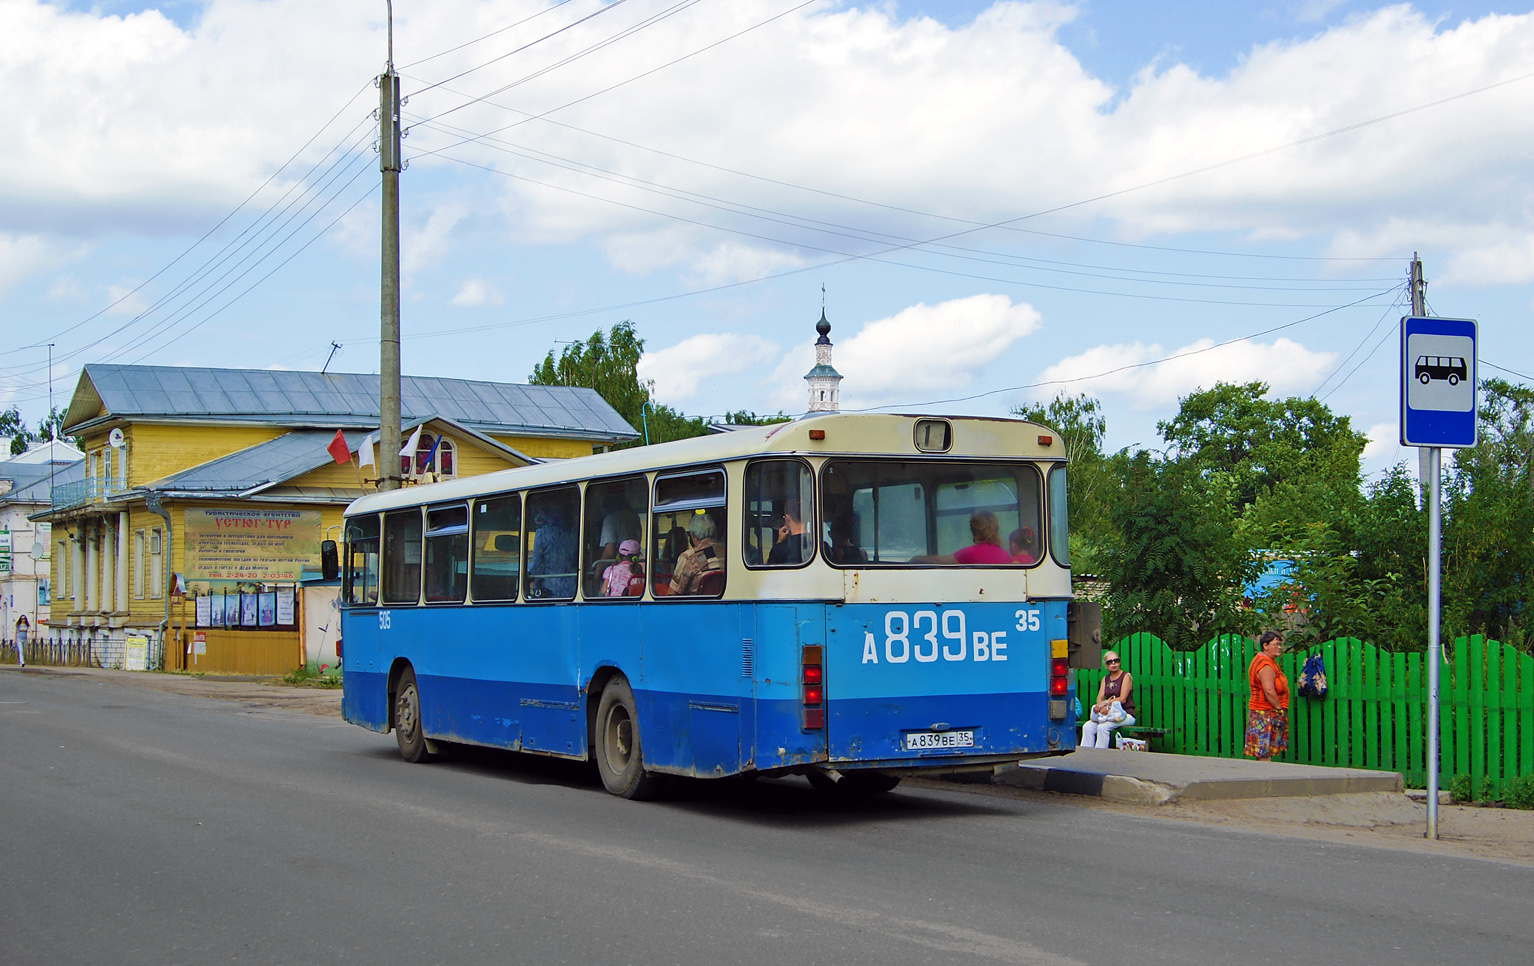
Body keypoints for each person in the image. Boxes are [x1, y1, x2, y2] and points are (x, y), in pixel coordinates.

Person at [1245, 630, 1290, 762]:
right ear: (1265, 646)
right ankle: (1265, 780)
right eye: (1276, 644)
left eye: (1280, 644)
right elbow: (1269, 690)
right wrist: (1279, 708)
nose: (1279, 647)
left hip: (1264, 712)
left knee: (1265, 751)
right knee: (1264, 752)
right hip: (1264, 713)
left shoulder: (1265, 660)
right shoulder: (1265, 665)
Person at [1079, 651, 1136, 748]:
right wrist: (1101, 708)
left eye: (1116, 661)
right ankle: (1086, 754)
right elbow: (1099, 698)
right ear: (1105, 665)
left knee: (1102, 727)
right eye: (1110, 662)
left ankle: (1100, 755)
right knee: (1088, 726)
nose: (1114, 664)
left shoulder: (1126, 676)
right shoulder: (1105, 679)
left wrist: (1105, 703)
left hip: (1125, 714)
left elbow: (1122, 699)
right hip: (1109, 714)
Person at [911, 510, 1011, 564]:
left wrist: (916, 559)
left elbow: (939, 561)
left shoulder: (971, 553)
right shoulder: (1005, 555)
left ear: (974, 530)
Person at [527, 506, 577, 598]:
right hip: (573, 588)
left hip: (550, 588)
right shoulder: (575, 532)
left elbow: (536, 566)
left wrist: (530, 576)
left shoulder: (542, 533)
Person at [670, 513, 724, 595]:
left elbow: (673, 593)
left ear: (693, 535)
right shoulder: (726, 552)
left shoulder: (689, 557)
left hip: (696, 605)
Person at [597, 491, 642, 561]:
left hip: (617, 563)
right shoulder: (635, 518)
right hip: (633, 564)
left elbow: (609, 552)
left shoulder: (611, 519)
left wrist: (597, 569)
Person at [768, 499, 811, 565]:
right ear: (808, 517)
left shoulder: (778, 551)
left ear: (787, 518)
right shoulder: (824, 547)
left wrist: (779, 542)